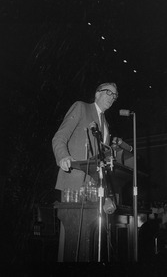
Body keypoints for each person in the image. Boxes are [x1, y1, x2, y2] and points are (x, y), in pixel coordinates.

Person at [52, 82, 118, 261]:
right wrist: (63, 156)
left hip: (93, 189)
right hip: (74, 182)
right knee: (71, 241)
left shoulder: (106, 125)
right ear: (97, 94)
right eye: (108, 93)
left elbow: (100, 159)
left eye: (115, 95)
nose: (112, 97)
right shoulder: (81, 107)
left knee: (89, 243)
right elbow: (59, 137)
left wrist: (107, 193)